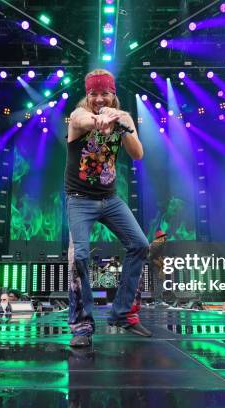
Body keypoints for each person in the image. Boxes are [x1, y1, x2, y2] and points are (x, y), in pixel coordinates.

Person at [65, 68, 151, 347]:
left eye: (105, 93)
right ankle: (81, 326)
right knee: (77, 256)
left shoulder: (124, 117)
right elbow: (82, 118)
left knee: (140, 244)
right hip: (79, 199)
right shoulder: (78, 117)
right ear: (87, 95)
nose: (99, 98)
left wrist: (122, 125)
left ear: (113, 94)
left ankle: (123, 313)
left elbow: (137, 153)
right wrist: (98, 119)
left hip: (110, 199)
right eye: (93, 94)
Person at [149, 229, 168, 304]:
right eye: (164, 236)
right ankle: (157, 299)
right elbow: (153, 256)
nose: (165, 238)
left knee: (160, 281)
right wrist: (161, 263)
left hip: (157, 265)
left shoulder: (158, 244)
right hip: (156, 265)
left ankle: (159, 299)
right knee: (160, 281)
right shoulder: (156, 244)